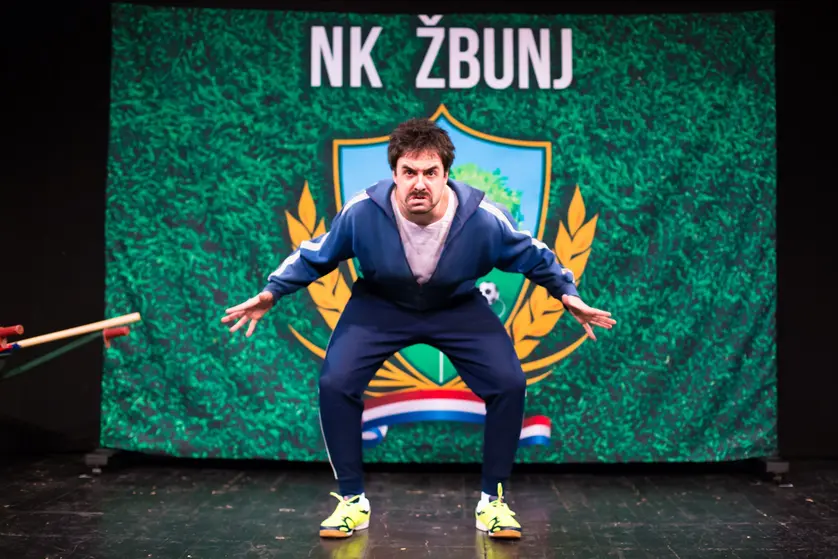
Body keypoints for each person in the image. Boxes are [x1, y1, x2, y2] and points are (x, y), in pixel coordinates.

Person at [221, 118, 615, 540]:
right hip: (380, 305)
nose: (420, 184)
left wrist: (566, 293)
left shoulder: (483, 219)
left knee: (509, 383)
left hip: (456, 306)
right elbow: (316, 253)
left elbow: (534, 254)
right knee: (335, 383)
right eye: (409, 172)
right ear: (394, 173)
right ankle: (351, 501)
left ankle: (493, 502)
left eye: (430, 172)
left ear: (447, 175)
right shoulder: (363, 212)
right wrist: (273, 291)